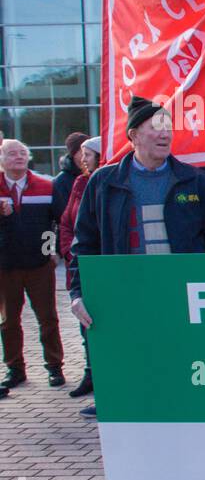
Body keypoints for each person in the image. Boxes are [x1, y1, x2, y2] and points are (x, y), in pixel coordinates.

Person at [69, 97, 205, 339]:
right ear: (133, 135)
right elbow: (85, 242)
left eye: (168, 128)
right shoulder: (104, 183)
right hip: (126, 295)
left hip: (183, 297)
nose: (165, 134)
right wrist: (77, 292)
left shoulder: (194, 180)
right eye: (156, 127)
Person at [0, 139, 63, 397]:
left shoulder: (47, 186)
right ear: (2, 159)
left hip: (39, 266)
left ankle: (55, 367)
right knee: (8, 321)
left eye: (23, 153)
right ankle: (15, 369)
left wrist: (52, 252)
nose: (19, 157)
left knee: (47, 318)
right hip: (4, 267)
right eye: (12, 153)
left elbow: (58, 221)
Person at [58, 136, 100, 403]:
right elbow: (66, 223)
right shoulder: (79, 183)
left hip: (99, 268)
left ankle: (103, 385)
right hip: (80, 263)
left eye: (88, 154)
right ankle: (90, 374)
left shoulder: (107, 183)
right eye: (81, 154)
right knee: (85, 327)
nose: (82, 159)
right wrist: (68, 251)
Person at [52, 132, 89, 223]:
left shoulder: (96, 174)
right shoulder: (61, 181)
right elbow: (63, 215)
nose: (86, 156)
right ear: (74, 154)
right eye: (83, 151)